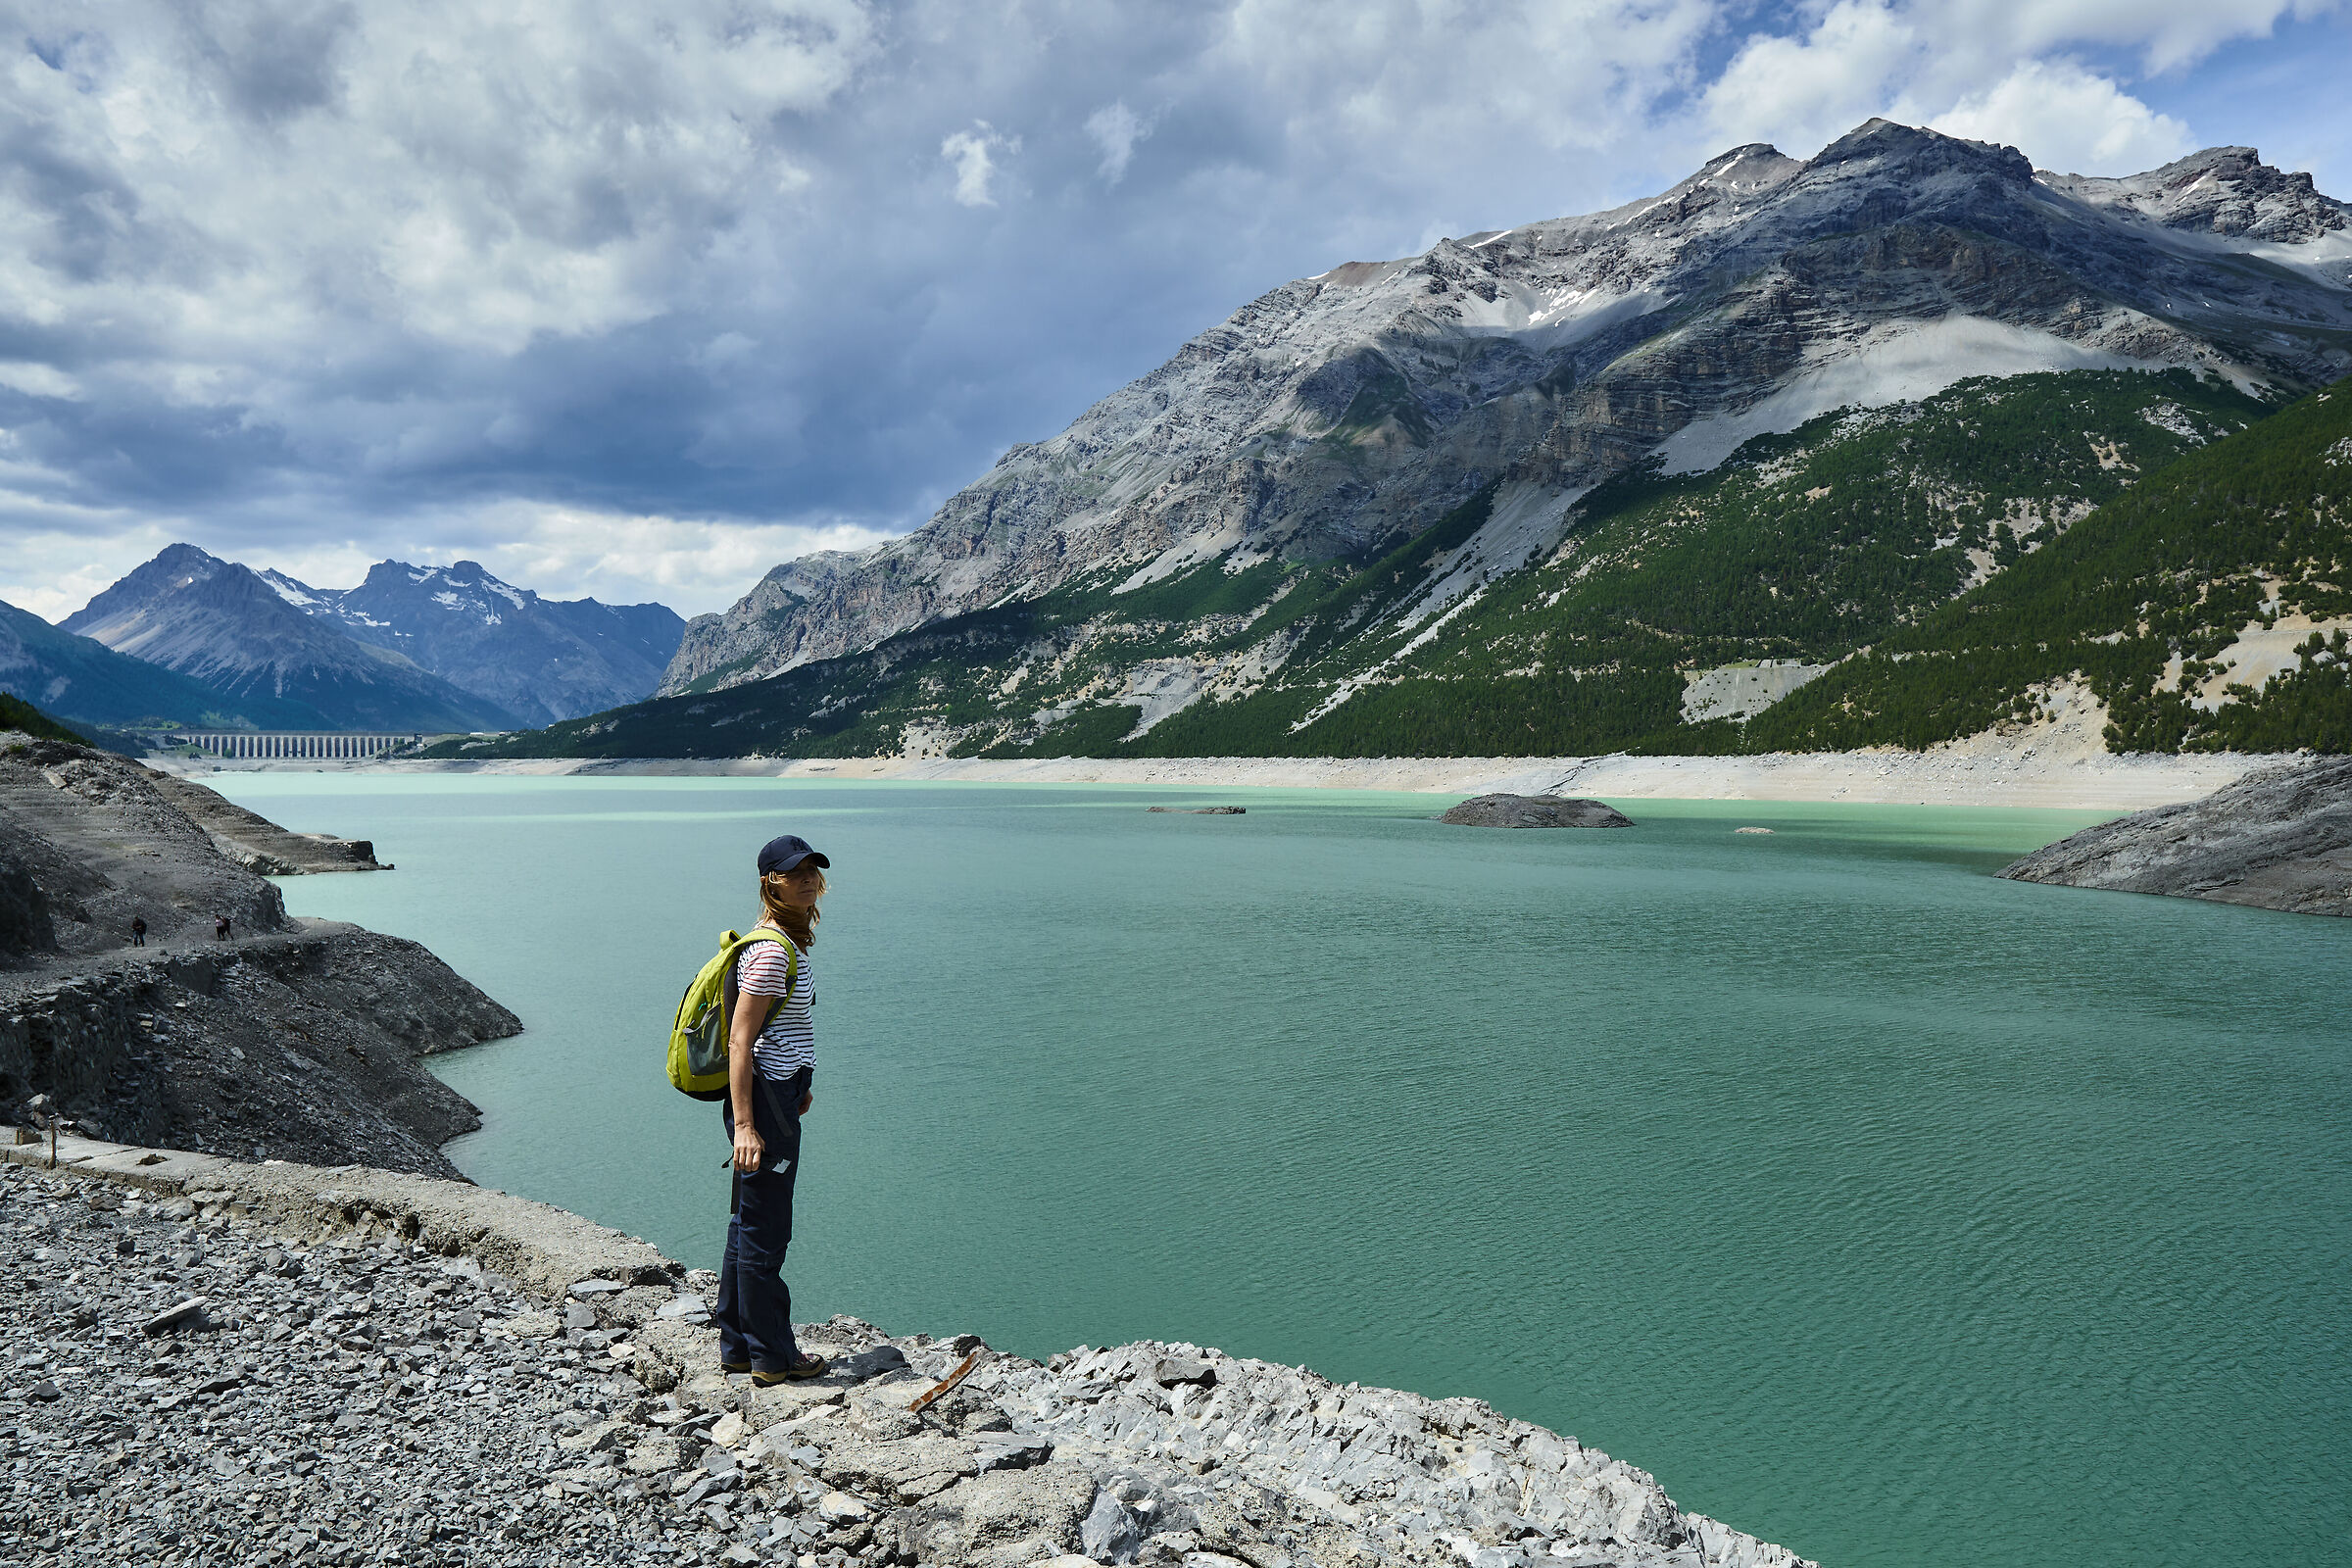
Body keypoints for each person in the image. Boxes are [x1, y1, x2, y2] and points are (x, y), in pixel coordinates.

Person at [715, 833, 831, 1385]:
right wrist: (746, 1125)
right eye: (795, 872)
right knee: (767, 1230)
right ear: (771, 882)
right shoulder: (770, 953)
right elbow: (740, 1042)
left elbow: (780, 1031)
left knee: (747, 1223)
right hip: (762, 1107)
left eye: (812, 870)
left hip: (777, 1095)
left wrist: (799, 1081)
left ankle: (738, 1346)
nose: (808, 879)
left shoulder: (783, 942)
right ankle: (774, 1358)